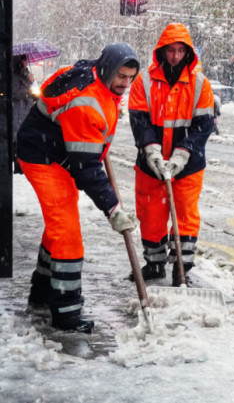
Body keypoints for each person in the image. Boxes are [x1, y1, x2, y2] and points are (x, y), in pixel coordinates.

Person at [16, 43, 141, 333]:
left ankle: (42, 293)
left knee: (60, 224)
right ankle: (66, 312)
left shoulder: (96, 77)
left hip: (55, 151)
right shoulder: (87, 100)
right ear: (108, 68)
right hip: (44, 157)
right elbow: (86, 169)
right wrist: (113, 209)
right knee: (68, 233)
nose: (125, 83)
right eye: (121, 76)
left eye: (130, 78)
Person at [128, 23, 215, 287]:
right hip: (150, 164)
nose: (175, 56)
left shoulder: (200, 85)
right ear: (162, 51)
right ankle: (154, 264)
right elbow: (139, 121)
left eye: (180, 51)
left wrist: (183, 153)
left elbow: (203, 126)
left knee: (186, 215)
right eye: (171, 50)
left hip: (187, 165)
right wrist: (152, 150)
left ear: (188, 53)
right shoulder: (143, 82)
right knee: (151, 214)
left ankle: (181, 266)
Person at [11, 55, 36, 174]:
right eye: (25, 59)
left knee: (24, 139)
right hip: (18, 110)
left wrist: (31, 81)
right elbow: (15, 91)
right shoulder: (14, 75)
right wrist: (28, 90)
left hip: (25, 109)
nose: (27, 62)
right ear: (19, 61)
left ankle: (22, 166)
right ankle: (18, 166)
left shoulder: (26, 73)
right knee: (18, 138)